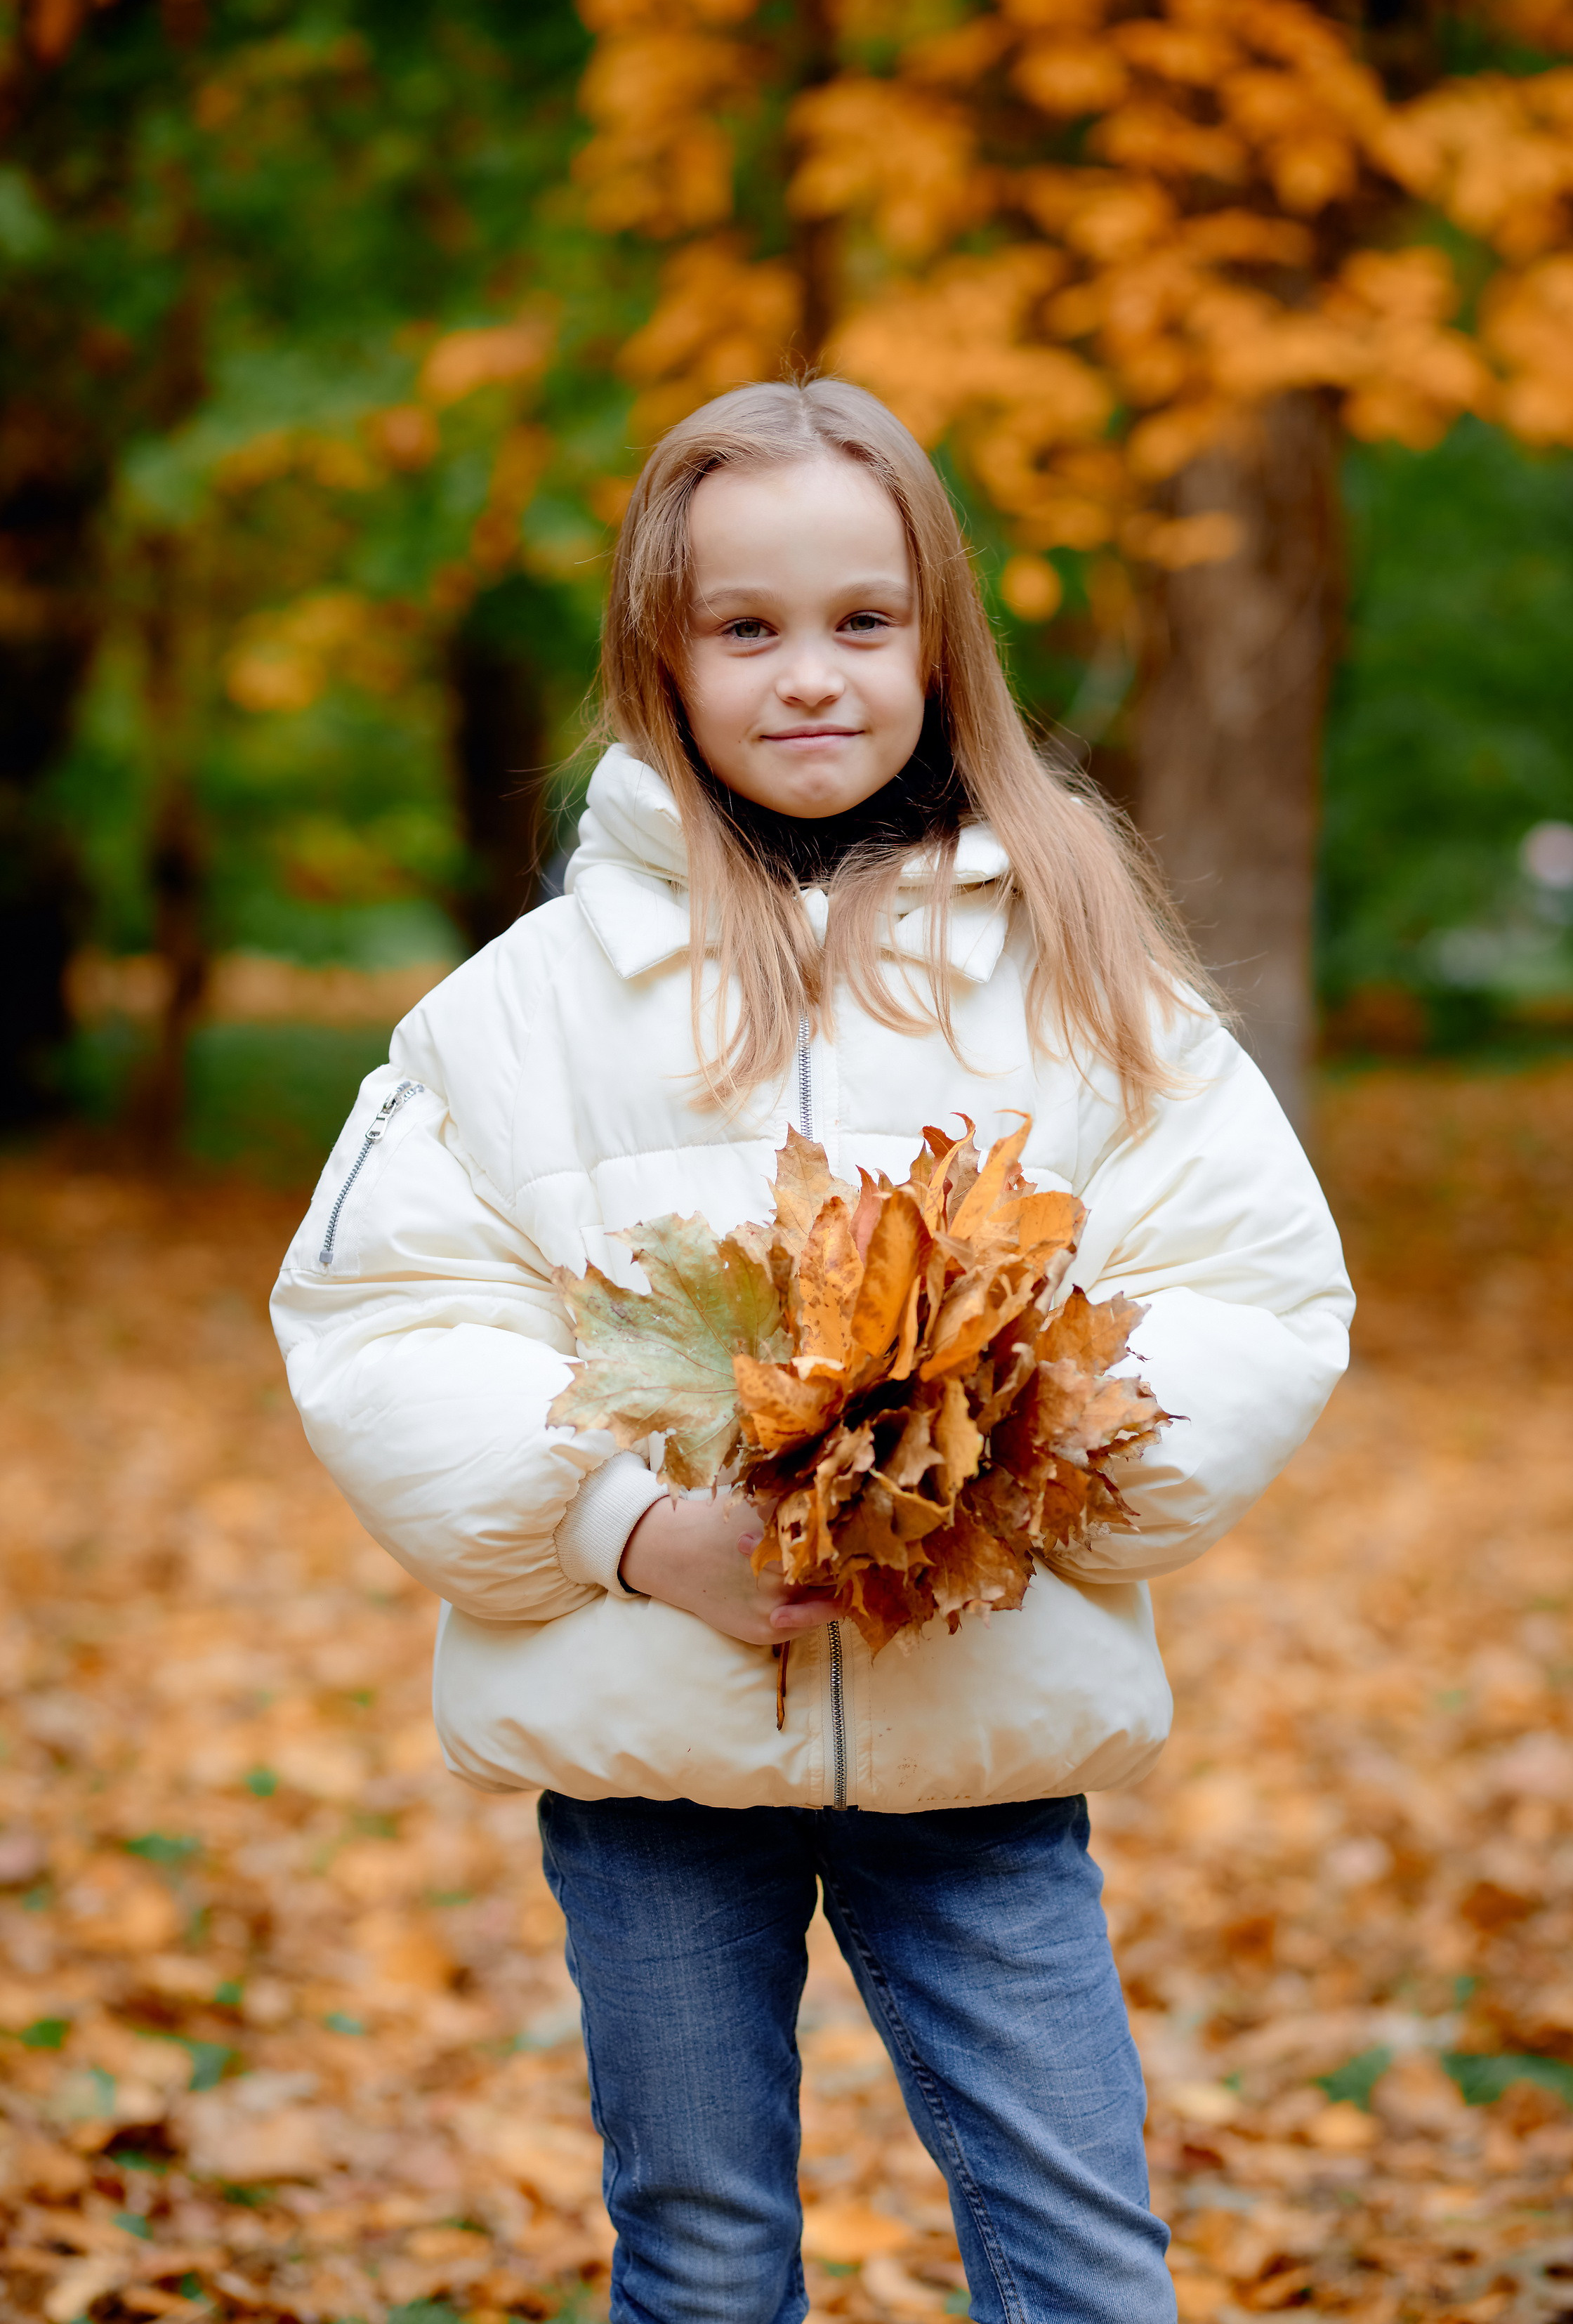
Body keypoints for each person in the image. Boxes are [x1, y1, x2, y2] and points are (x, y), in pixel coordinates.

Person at [271, 379, 1353, 2324]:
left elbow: (1256, 1283)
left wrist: (1041, 1471)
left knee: (1085, 2250)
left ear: (940, 636)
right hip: (653, 1762)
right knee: (698, 2251)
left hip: (985, 1743)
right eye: (744, 628)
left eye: (863, 622)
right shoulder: (516, 1017)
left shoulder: (1089, 971)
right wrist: (627, 1526)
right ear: (657, 658)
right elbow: (383, 1318)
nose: (809, 677)